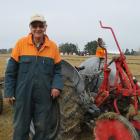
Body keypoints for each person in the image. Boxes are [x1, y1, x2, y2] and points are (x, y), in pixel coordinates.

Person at [4, 14, 63, 140]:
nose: (38, 29)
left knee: (43, 128)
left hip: (44, 96)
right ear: (30, 28)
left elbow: (58, 70)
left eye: (40, 26)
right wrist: (9, 92)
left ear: (45, 27)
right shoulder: (21, 44)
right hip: (23, 95)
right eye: (34, 26)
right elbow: (10, 71)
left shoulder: (53, 47)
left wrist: (56, 86)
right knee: (20, 127)